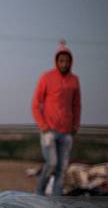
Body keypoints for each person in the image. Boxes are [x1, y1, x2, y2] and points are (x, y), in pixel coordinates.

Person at [32, 40, 81, 196]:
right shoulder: (47, 77)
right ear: (56, 61)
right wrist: (43, 126)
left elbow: (77, 105)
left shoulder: (74, 80)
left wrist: (75, 126)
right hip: (49, 131)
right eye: (61, 60)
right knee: (52, 163)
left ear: (70, 62)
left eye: (67, 61)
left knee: (62, 167)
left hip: (67, 132)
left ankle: (56, 201)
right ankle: (39, 194)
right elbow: (35, 104)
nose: (64, 63)